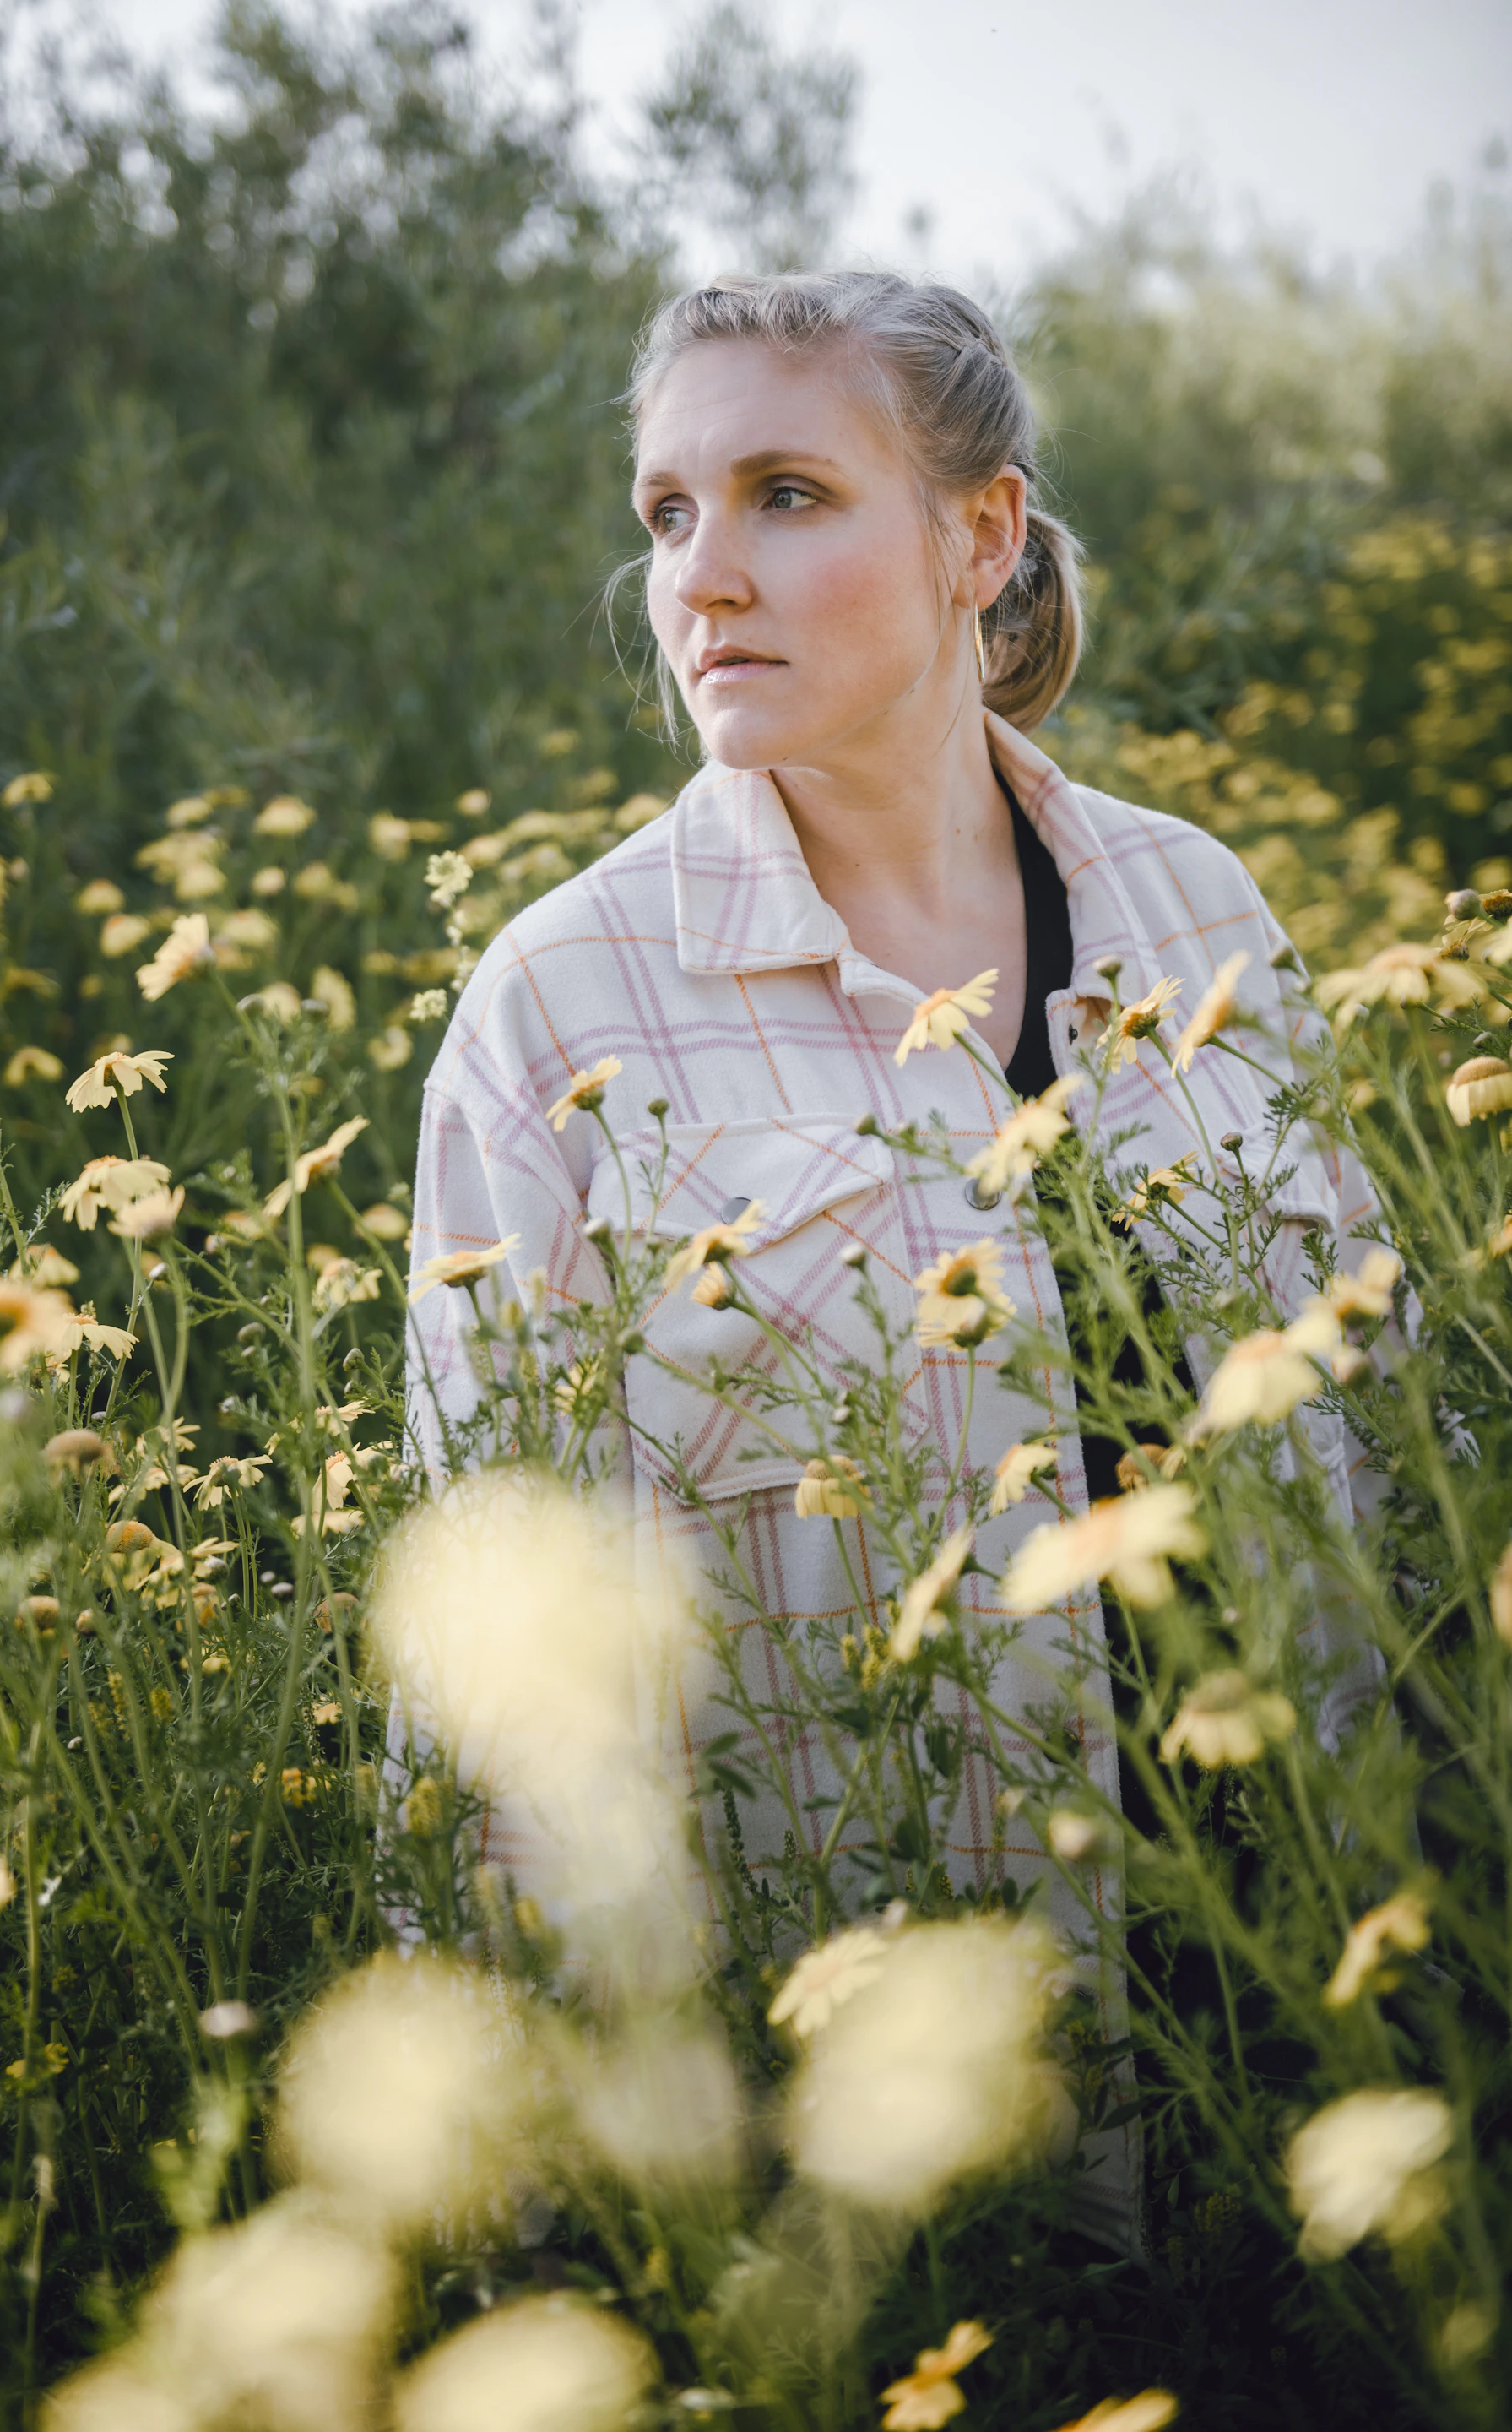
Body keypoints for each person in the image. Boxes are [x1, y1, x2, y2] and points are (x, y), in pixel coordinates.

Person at [396, 271, 1382, 2244]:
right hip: (870, 2169)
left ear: (980, 539)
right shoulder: (563, 1011)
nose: (704, 575)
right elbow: (494, 1694)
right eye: (669, 512)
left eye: (786, 492)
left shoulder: (1200, 910)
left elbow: (1388, 1435)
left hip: (1318, 2059)